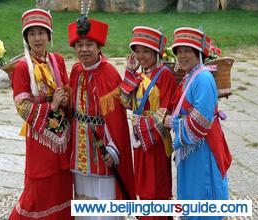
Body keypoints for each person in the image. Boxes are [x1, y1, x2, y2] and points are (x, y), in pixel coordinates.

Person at [67, 14, 136, 219]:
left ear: (99, 47)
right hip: (80, 151)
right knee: (83, 205)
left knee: (105, 207)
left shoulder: (109, 73)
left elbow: (117, 120)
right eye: (79, 45)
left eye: (89, 44)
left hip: (102, 151)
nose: (84, 49)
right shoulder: (76, 71)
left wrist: (114, 149)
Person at [9, 9, 73, 219]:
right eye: (32, 33)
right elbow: (22, 107)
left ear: (49, 35)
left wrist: (65, 97)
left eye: (41, 33)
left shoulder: (57, 60)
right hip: (40, 141)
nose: (37, 38)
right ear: (26, 37)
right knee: (39, 188)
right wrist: (52, 105)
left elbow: (65, 88)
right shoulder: (22, 67)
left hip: (63, 138)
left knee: (61, 185)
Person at [164, 27, 232, 219]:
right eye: (179, 51)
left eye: (188, 51)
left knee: (204, 195)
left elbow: (200, 123)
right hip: (193, 151)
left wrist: (173, 123)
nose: (182, 55)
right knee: (191, 196)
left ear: (198, 53)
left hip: (204, 149)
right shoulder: (189, 77)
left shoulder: (202, 78)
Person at [119, 26, 177, 220]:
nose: (140, 55)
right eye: (137, 50)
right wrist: (129, 73)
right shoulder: (139, 74)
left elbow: (165, 110)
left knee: (156, 186)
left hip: (155, 139)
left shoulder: (165, 75)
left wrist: (140, 128)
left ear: (156, 53)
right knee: (143, 184)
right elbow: (125, 102)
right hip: (140, 139)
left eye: (146, 51)